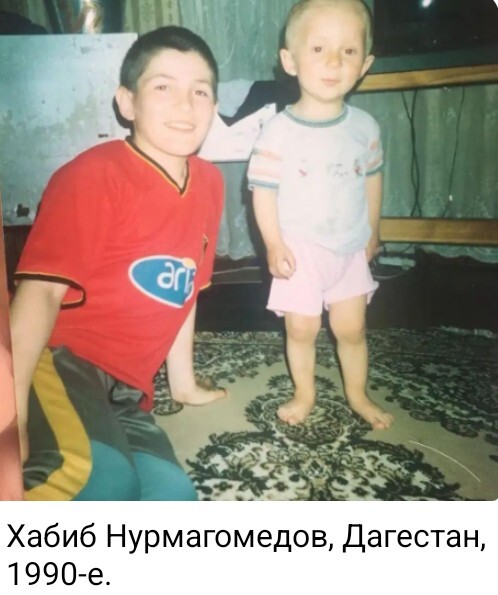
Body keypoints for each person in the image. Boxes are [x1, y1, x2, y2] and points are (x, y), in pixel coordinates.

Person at [10, 25, 227, 501]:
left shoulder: (211, 183)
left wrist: (184, 385)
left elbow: (184, 289)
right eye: (163, 87)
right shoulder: (92, 175)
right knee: (98, 480)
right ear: (127, 102)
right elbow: (40, 292)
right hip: (59, 360)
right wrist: (13, 415)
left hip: (127, 390)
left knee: (172, 499)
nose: (185, 105)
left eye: (200, 91)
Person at [247, 0, 393, 429]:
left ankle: (357, 394)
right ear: (290, 61)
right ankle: (304, 393)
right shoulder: (277, 131)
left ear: (364, 65)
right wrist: (273, 244)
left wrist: (373, 230)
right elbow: (263, 192)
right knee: (301, 329)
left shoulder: (365, 127)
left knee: (352, 329)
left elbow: (372, 181)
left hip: (349, 247)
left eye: (348, 51)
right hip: (300, 250)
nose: (334, 61)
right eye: (318, 49)